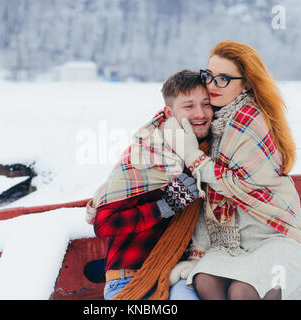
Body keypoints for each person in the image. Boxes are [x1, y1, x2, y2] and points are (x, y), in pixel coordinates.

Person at [165, 40, 301, 300]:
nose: (211, 85)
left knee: (243, 291)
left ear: (246, 83)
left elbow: (233, 184)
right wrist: (108, 197)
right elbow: (204, 196)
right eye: (208, 76)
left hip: (274, 234)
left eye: (223, 79)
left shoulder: (251, 122)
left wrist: (193, 157)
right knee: (206, 283)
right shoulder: (212, 119)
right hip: (232, 244)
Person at [87, 70, 213, 300]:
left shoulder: (207, 159)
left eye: (206, 104)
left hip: (177, 274)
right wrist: (162, 207)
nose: (200, 113)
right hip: (129, 279)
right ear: (169, 112)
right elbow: (103, 223)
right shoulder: (147, 154)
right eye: (189, 106)